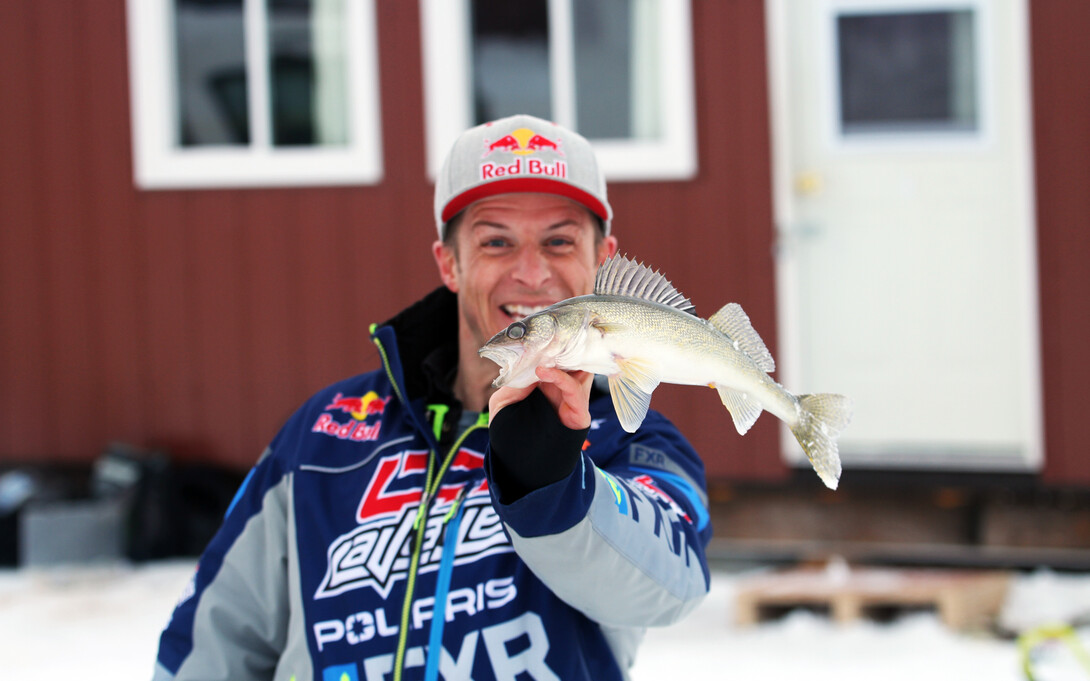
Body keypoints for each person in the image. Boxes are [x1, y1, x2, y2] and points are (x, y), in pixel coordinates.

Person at [152, 114, 712, 681]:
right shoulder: (322, 431)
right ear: (450, 263)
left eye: (559, 241)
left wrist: (553, 486)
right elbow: (211, 640)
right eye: (496, 241)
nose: (531, 272)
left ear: (601, 258)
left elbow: (671, 587)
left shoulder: (633, 436)